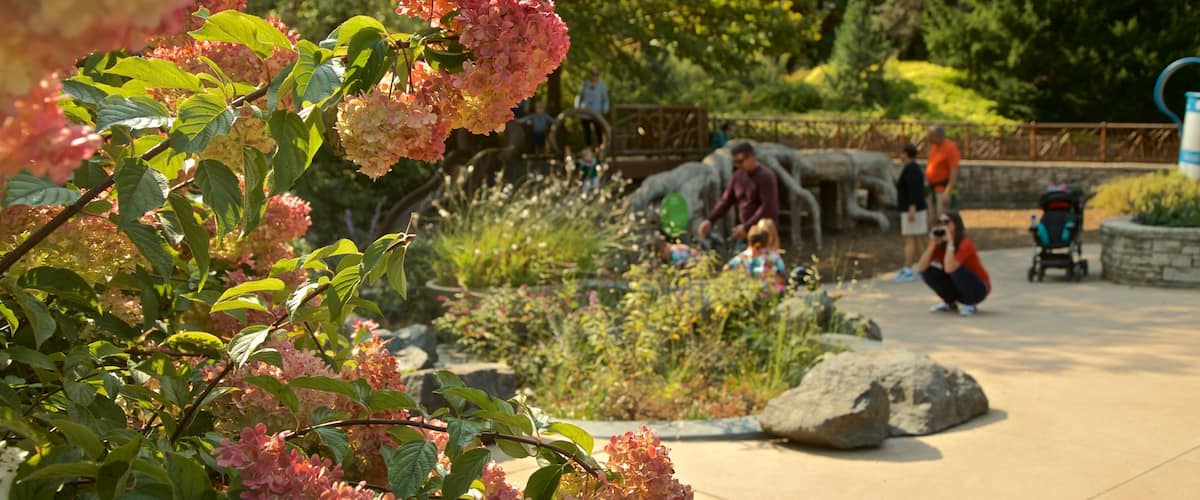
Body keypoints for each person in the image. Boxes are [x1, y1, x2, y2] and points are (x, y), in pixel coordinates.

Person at [697, 142, 779, 246]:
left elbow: (767, 207)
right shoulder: (737, 176)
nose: (738, 166)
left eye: (740, 161)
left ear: (752, 157)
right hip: (744, 233)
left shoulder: (766, 177)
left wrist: (746, 227)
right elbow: (726, 200)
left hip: (763, 234)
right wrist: (710, 220)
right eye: (735, 162)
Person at [915, 210, 990, 316]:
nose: (942, 225)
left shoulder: (965, 243)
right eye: (939, 222)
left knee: (955, 269)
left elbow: (950, 268)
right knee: (926, 272)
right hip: (958, 287)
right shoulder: (940, 243)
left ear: (956, 224)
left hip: (978, 288)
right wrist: (933, 244)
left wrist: (950, 243)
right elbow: (921, 267)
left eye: (946, 222)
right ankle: (949, 303)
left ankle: (970, 304)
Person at [893, 142, 927, 282]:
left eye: (901, 153)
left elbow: (914, 189)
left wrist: (912, 208)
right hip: (914, 209)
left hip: (912, 209)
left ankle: (907, 268)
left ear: (906, 154)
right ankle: (924, 267)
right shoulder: (912, 168)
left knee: (910, 239)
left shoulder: (911, 169)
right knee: (916, 239)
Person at [725, 223, 787, 293]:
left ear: (749, 240)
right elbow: (782, 272)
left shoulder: (742, 256)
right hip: (770, 294)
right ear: (767, 241)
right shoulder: (774, 256)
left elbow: (726, 268)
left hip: (748, 292)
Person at [925, 125, 961, 220]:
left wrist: (948, 192)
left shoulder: (951, 148)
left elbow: (954, 170)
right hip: (932, 188)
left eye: (930, 136)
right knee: (933, 218)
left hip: (942, 189)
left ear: (938, 136)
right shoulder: (933, 147)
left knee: (943, 218)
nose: (928, 138)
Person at [575, 68, 610, 147]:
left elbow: (605, 98)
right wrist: (577, 108)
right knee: (587, 132)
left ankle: (600, 148)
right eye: (593, 74)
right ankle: (588, 149)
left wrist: (605, 108)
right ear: (590, 75)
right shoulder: (585, 84)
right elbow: (579, 96)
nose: (594, 76)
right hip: (585, 112)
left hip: (596, 113)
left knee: (598, 131)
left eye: (596, 74)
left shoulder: (601, 85)